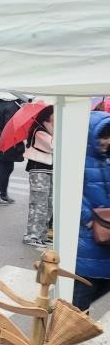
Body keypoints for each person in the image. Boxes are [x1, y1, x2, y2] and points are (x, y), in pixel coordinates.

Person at [75, 111, 110, 313]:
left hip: (106, 233)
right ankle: (70, 330)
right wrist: (88, 218)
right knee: (84, 286)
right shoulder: (80, 160)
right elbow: (69, 192)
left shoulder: (107, 159)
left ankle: (76, 324)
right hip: (88, 234)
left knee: (103, 282)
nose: (107, 141)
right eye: (103, 136)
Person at [23, 106, 54, 247]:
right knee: (38, 205)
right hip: (39, 170)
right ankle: (32, 235)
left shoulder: (50, 129)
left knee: (48, 205)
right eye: (55, 113)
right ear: (48, 115)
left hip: (50, 170)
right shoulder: (39, 130)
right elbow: (53, 145)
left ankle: (42, 234)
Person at [0, 96, 24, 205]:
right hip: (7, 136)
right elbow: (12, 124)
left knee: (6, 167)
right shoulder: (12, 105)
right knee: (3, 167)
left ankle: (3, 194)